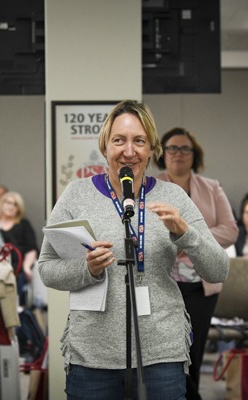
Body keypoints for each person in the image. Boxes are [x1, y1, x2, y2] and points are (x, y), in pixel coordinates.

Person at [38, 100, 229, 400]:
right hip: (93, 356)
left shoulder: (173, 196)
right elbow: (47, 268)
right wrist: (87, 269)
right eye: (119, 140)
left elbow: (219, 269)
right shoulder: (77, 195)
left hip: (161, 354)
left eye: (139, 141)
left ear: (152, 149)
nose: (129, 151)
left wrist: (185, 234)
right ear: (105, 147)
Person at [154, 126, 238, 400]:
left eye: (185, 148)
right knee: (165, 351)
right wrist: (173, 240)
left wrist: (188, 237)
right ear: (163, 154)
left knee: (194, 351)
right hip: (162, 284)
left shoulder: (212, 188)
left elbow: (230, 230)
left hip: (201, 286)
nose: (178, 153)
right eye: (172, 148)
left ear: (194, 154)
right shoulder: (151, 186)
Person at [0, 191, 39, 306]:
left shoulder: (24, 224)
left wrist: (26, 267)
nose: (11, 206)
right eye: (8, 203)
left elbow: (31, 248)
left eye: (15, 205)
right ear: (1, 203)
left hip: (17, 270)